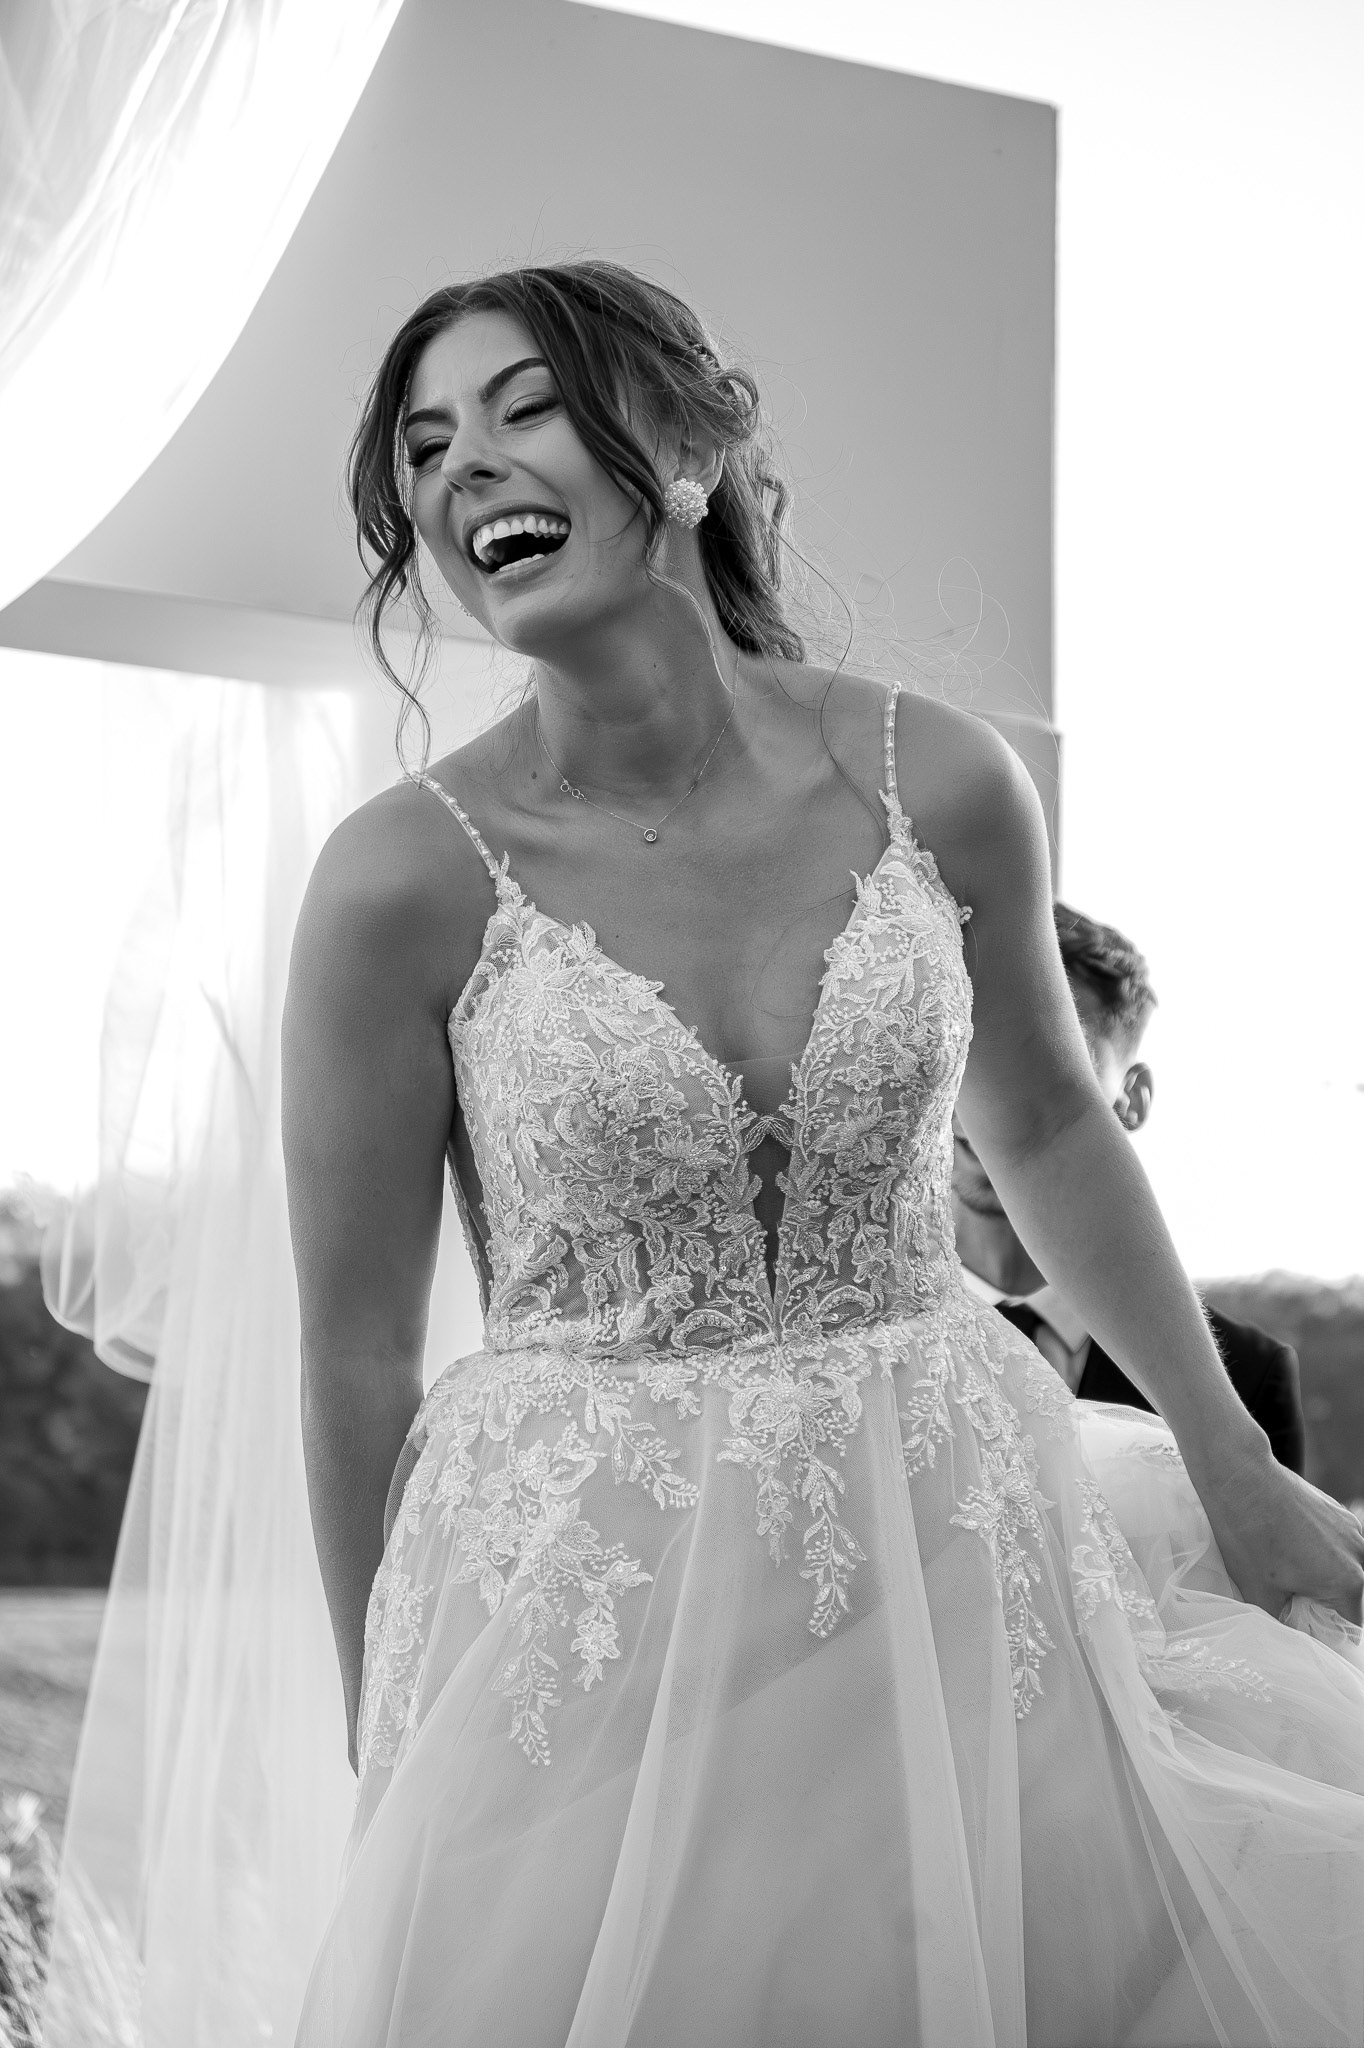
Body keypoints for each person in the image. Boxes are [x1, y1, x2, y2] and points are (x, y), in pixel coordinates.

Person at [283, 260, 1364, 2048]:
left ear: (689, 450)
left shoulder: (937, 776)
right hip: (585, 1599)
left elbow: (1045, 1122)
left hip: (944, 1533)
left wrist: (1231, 1462)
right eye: (423, 444)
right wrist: (378, 1706)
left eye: (525, 407)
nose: (464, 465)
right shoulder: (396, 877)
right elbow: (349, 1354)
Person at [954, 900, 1308, 1473]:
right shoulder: (849, 1343)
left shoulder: (1250, 1373)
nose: (991, 1104)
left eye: (1054, 1062)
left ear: (1133, 1098)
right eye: (962, 1052)